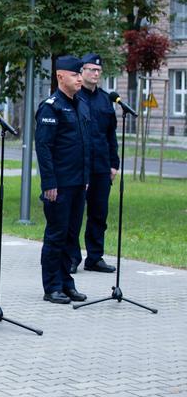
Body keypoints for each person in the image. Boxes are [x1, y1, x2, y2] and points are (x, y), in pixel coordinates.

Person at [35, 55, 90, 304]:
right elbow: (44, 148)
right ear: (60, 76)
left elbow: (85, 145)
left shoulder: (81, 104)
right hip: (59, 184)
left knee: (71, 236)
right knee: (56, 235)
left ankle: (67, 282)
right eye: (75, 74)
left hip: (78, 182)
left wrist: (86, 178)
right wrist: (49, 183)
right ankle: (52, 286)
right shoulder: (51, 106)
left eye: (81, 74)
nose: (80, 78)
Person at [66, 53, 119, 274]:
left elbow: (111, 135)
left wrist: (113, 164)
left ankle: (95, 257)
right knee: (75, 214)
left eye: (98, 70)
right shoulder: (74, 98)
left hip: (101, 167)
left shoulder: (106, 99)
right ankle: (71, 258)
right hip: (79, 167)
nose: (95, 74)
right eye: (91, 70)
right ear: (82, 72)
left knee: (99, 213)